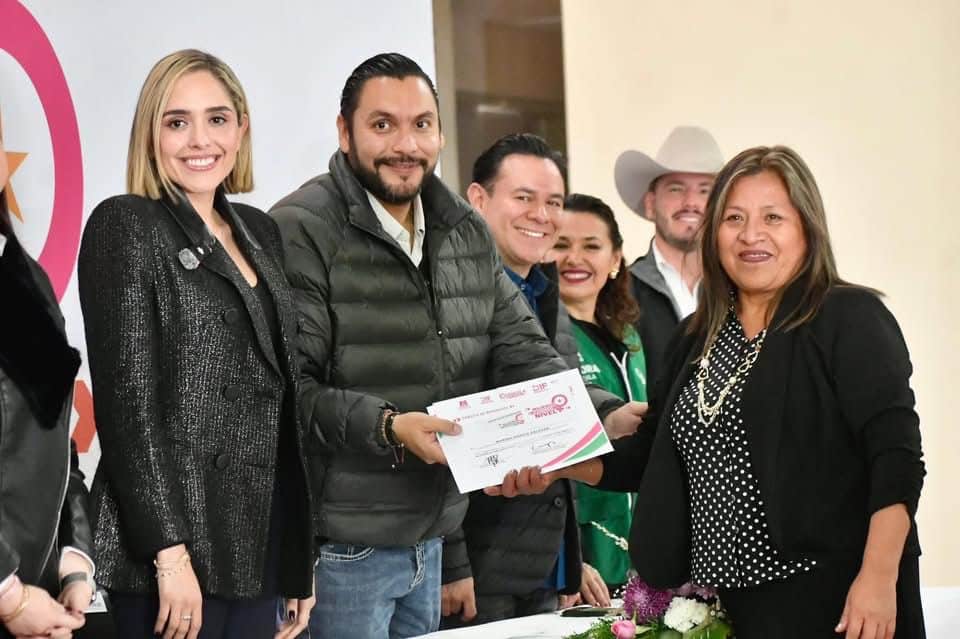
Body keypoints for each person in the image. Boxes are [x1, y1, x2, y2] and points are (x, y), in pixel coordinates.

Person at [269, 54, 636, 639]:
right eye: (382, 124)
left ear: (440, 132)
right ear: (345, 131)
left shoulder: (462, 227)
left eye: (421, 125)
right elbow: (292, 391)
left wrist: (604, 414)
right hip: (340, 551)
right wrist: (391, 427)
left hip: (432, 539)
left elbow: (523, 351)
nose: (405, 144)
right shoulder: (299, 228)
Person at [494, 146, 926, 638]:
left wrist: (878, 577)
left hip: (838, 598)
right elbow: (647, 457)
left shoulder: (848, 318)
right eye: (734, 218)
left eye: (773, 218)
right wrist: (553, 464)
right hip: (731, 609)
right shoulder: (696, 338)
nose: (750, 235)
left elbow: (896, 460)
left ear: (806, 227)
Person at [77, 50, 314, 639]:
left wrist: (296, 558)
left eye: (217, 118)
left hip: (256, 544)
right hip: (172, 556)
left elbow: (282, 402)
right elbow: (128, 406)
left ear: (241, 129)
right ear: (150, 134)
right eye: (176, 122)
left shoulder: (259, 230)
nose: (198, 140)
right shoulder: (125, 224)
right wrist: (169, 554)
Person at [439, 136, 644, 628]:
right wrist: (452, 560)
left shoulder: (547, 293)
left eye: (553, 202)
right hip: (480, 564)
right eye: (524, 198)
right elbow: (437, 421)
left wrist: (612, 413)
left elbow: (555, 391)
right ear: (479, 199)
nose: (542, 215)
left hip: (544, 562)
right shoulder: (449, 294)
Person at [0, 116, 95, 639]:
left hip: (39, 601)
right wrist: (10, 597)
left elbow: (57, 438)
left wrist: (74, 560)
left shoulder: (24, 277)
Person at [552, 193, 647, 594]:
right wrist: (570, 560)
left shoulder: (630, 337)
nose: (574, 258)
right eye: (561, 245)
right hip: (586, 559)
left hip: (639, 556)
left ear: (615, 259)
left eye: (591, 246)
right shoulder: (540, 339)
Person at [614, 126, 724, 385]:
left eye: (705, 191)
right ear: (651, 204)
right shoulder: (618, 292)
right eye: (676, 189)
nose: (690, 202)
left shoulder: (741, 288)